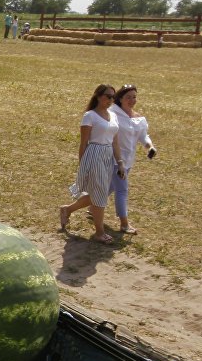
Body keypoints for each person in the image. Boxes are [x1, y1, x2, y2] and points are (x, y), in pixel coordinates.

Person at [59, 84, 125, 244]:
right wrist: (83, 164)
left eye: (113, 97)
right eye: (108, 96)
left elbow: (115, 141)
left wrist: (120, 162)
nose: (111, 100)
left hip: (107, 155)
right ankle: (99, 232)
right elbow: (83, 143)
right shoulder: (90, 116)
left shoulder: (113, 115)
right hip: (94, 154)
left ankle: (67, 209)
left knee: (97, 193)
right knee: (100, 194)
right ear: (98, 96)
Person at [107, 84, 156, 234]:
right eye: (128, 97)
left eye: (134, 97)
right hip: (114, 158)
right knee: (122, 190)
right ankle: (124, 224)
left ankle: (75, 208)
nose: (132, 100)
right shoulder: (112, 113)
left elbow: (143, 135)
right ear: (120, 98)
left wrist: (150, 146)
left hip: (128, 160)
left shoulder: (138, 118)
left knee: (110, 187)